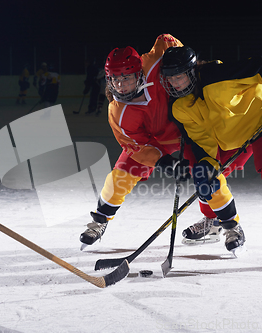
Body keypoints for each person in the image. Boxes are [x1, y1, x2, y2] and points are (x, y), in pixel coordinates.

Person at [160, 46, 262, 265]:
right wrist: (207, 166)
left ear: (191, 71)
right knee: (209, 179)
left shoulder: (219, 75)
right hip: (234, 139)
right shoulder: (179, 106)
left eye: (179, 76)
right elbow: (202, 142)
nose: (174, 83)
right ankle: (214, 221)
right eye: (170, 79)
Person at [79, 34, 199, 250]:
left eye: (126, 78)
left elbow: (166, 39)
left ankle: (220, 221)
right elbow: (136, 146)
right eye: (115, 79)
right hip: (153, 142)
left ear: (139, 73)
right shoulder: (117, 110)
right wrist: (166, 164)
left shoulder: (153, 65)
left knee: (207, 173)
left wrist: (180, 64)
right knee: (120, 176)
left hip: (187, 131)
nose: (120, 85)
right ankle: (100, 221)